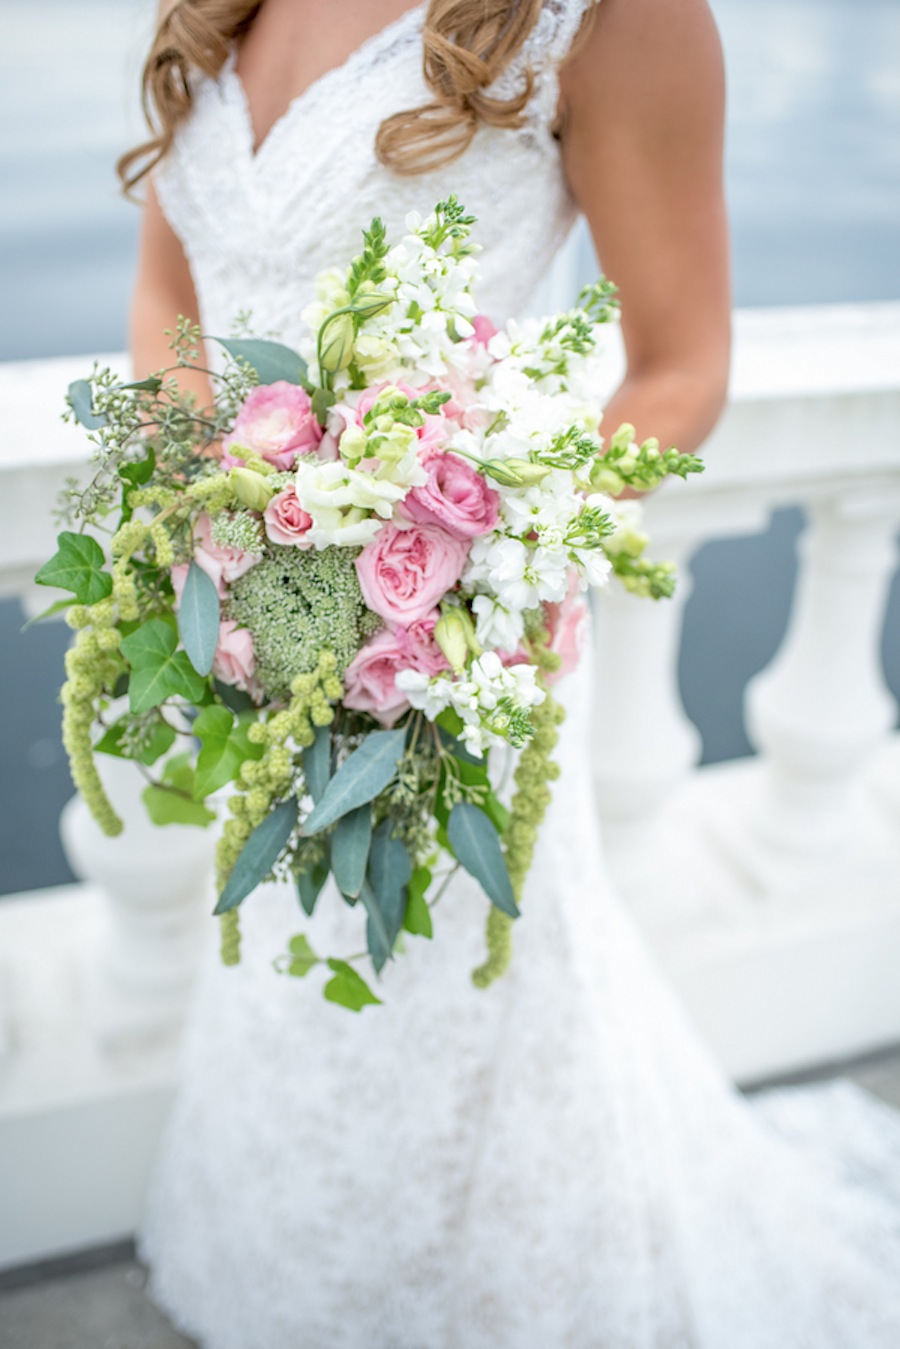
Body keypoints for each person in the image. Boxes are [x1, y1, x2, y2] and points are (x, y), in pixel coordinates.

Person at [126, 2, 900, 1345]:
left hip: (460, 638)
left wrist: (451, 557)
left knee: (461, 994)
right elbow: (170, 296)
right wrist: (222, 526)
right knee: (291, 973)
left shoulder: (609, 19)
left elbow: (682, 365)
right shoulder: (211, 9)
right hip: (258, 630)